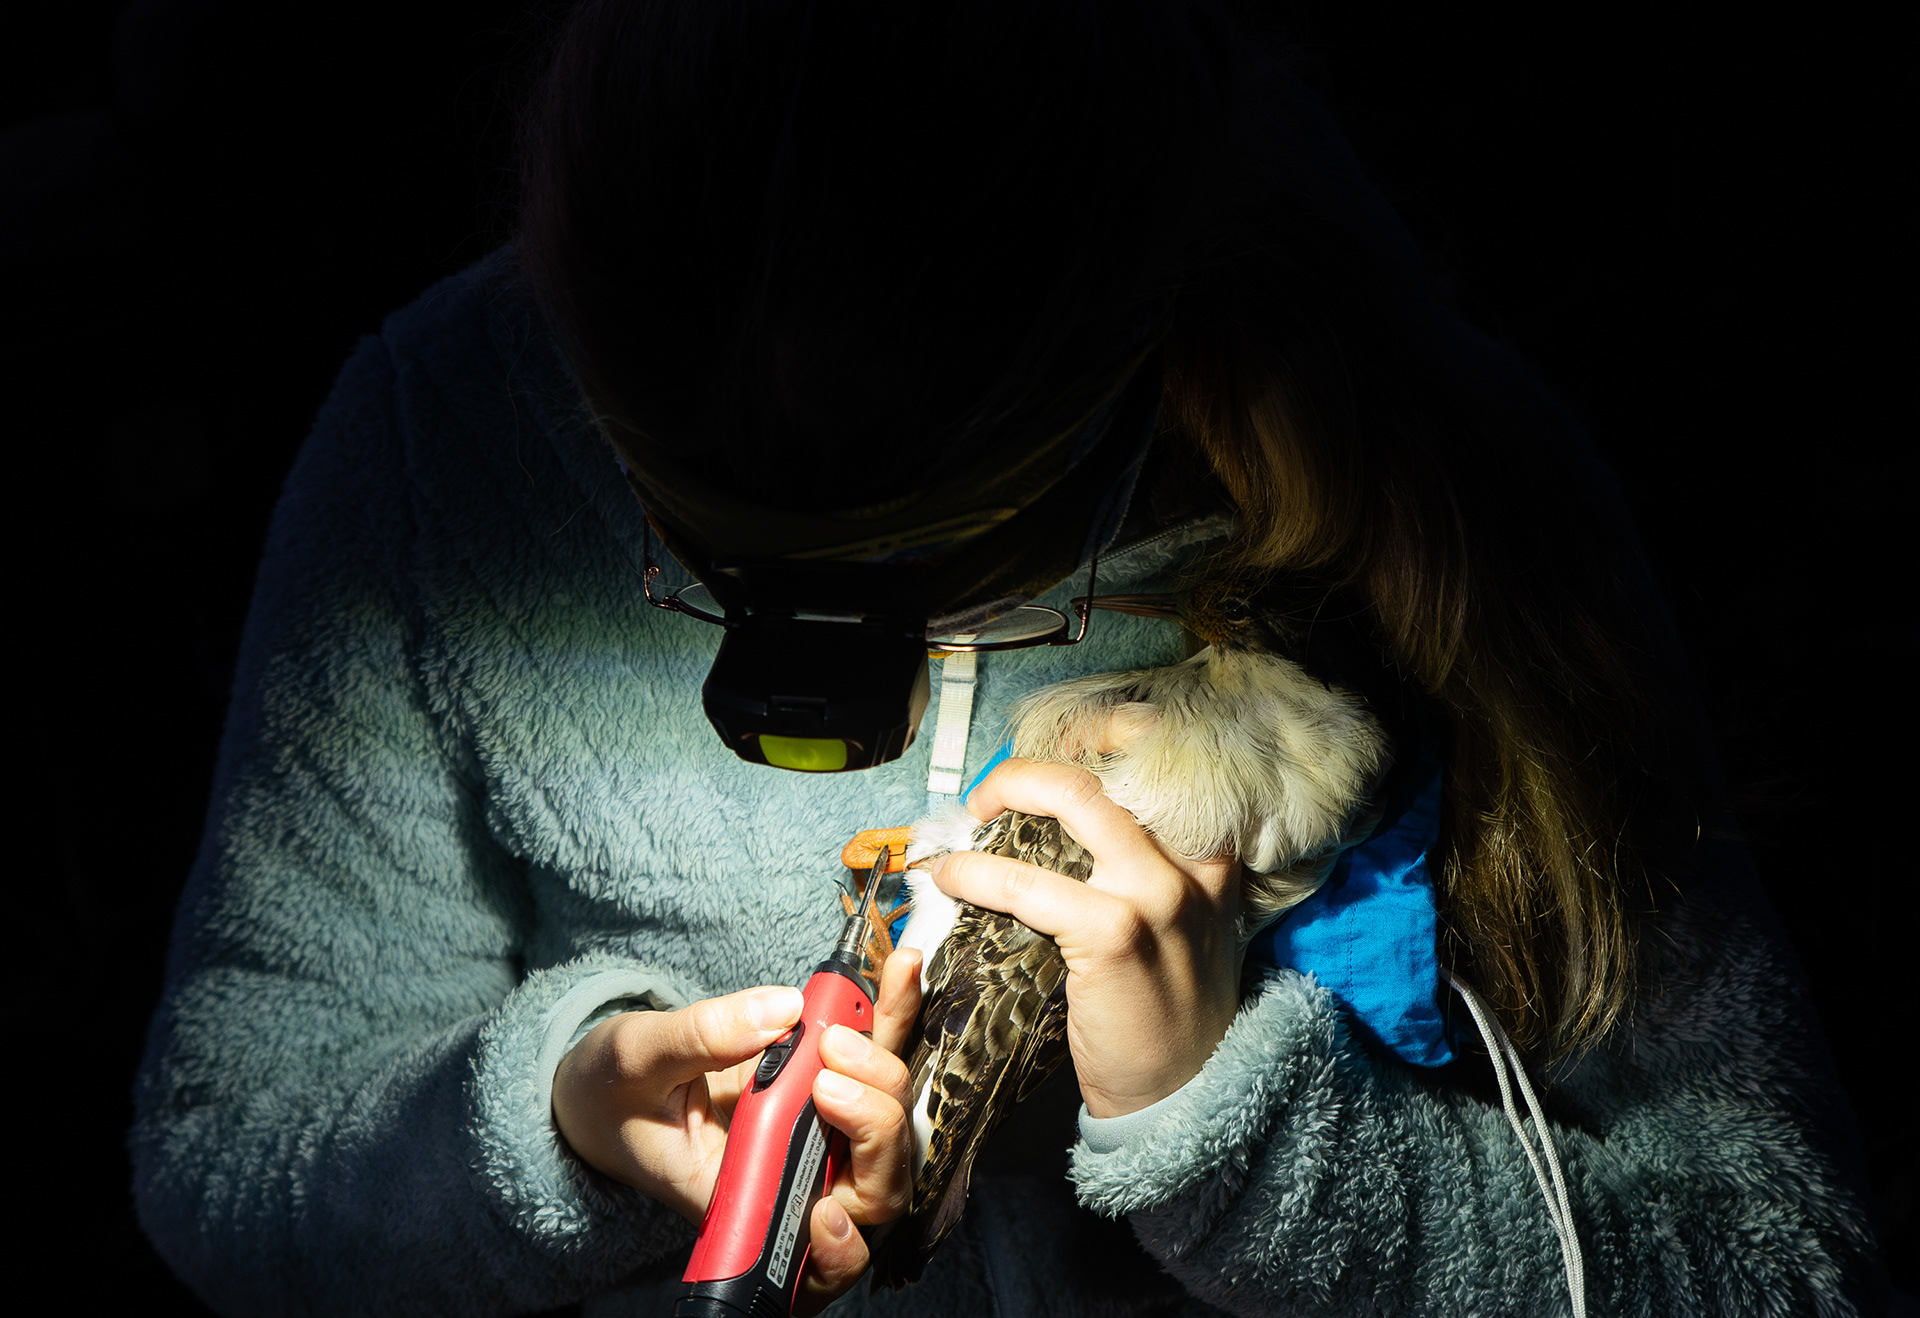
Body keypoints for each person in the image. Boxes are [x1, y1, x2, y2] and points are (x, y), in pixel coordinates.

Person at [132, 2, 1885, 1314]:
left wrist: (1235, 1119)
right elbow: (226, 1154)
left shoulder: (1437, 481)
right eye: (687, 553)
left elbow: (1786, 1270)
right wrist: (561, 1122)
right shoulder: (446, 441)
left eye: (925, 570)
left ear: (1097, 392)